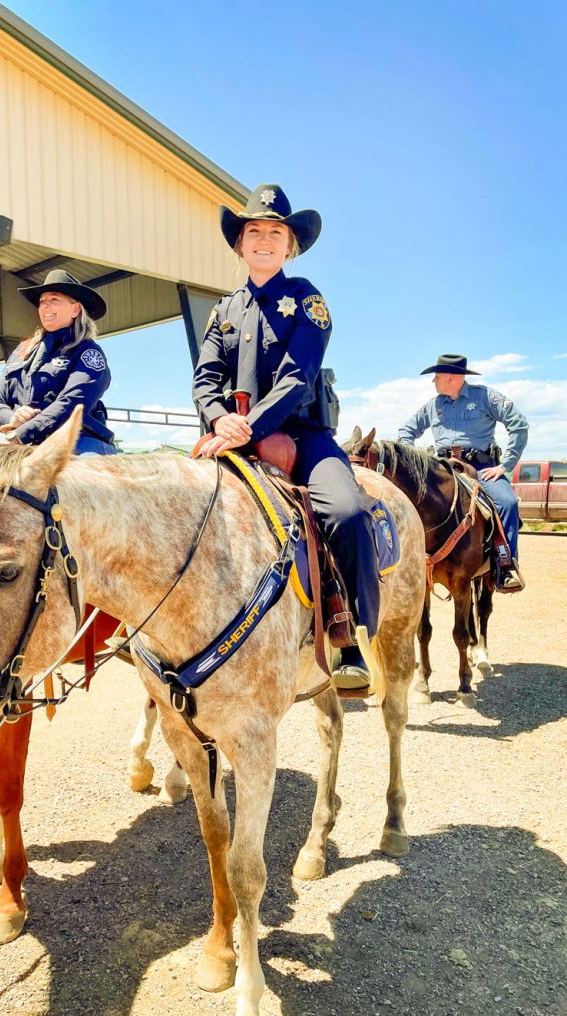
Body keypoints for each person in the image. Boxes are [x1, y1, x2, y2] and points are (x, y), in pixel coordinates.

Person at [192, 183, 379, 688]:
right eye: (254, 231)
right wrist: (218, 419)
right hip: (230, 432)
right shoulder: (222, 311)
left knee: (346, 511)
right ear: (240, 243)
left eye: (276, 232)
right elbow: (205, 379)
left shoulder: (307, 300)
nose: (264, 240)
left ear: (289, 245)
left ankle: (349, 633)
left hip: (302, 433)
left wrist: (247, 426)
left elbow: (299, 378)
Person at [398, 353, 528, 590]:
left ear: (453, 377)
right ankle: (409, 562)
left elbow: (518, 424)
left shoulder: (486, 396)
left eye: (437, 376)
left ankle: (506, 565)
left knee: (507, 502)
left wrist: (505, 465)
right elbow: (406, 431)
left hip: (481, 468)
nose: (433, 381)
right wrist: (418, 465)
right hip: (442, 469)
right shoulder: (433, 405)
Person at [0, 269, 117, 454]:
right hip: (24, 443)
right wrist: (12, 418)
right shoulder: (21, 352)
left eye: (54, 300)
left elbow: (72, 403)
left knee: (80, 478)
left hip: (78, 442)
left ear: (75, 309)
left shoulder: (88, 352)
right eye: (42, 302)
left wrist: (21, 434)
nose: (45, 307)